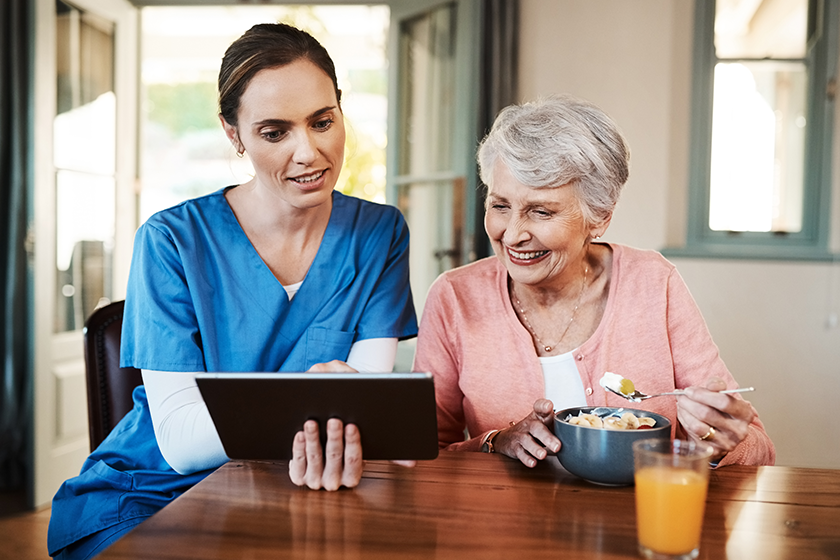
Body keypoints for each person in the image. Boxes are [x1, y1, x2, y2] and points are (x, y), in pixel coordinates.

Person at [48, 23, 417, 560]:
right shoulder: (171, 241)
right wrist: (318, 395)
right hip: (155, 493)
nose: (308, 152)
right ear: (234, 134)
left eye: (322, 121)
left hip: (306, 485)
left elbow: (364, 414)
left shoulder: (379, 234)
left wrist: (328, 407)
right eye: (274, 132)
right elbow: (180, 440)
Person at [413, 95, 774, 469]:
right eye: (500, 206)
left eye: (541, 211)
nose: (513, 234)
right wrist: (493, 443)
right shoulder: (455, 297)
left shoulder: (653, 283)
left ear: (599, 217)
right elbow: (420, 450)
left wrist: (717, 442)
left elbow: (760, 448)